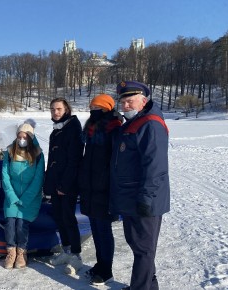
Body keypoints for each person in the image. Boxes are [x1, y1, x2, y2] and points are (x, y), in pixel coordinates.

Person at [111, 81, 170, 290]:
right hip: (131, 198)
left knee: (144, 250)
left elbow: (155, 166)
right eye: (123, 102)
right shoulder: (134, 123)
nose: (125, 106)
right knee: (139, 247)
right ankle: (147, 286)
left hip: (144, 199)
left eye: (130, 101)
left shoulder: (150, 124)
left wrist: (147, 198)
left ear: (143, 101)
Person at [78, 94, 123, 285]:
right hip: (90, 185)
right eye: (91, 107)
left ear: (106, 108)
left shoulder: (115, 128)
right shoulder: (90, 128)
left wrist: (109, 183)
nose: (92, 110)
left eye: (96, 107)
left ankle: (107, 269)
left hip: (105, 187)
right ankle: (99, 264)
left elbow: (117, 161)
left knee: (104, 229)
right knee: (95, 228)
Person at [43, 97, 84, 274]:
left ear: (66, 109)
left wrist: (64, 185)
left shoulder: (73, 128)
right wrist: (49, 184)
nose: (55, 112)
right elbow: (53, 160)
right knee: (59, 217)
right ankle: (66, 251)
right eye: (52, 109)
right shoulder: (56, 130)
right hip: (56, 181)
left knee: (68, 217)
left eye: (58, 109)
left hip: (68, 182)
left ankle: (76, 255)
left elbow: (74, 160)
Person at [1, 121, 44, 269]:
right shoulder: (10, 151)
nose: (22, 139)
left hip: (30, 197)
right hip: (11, 195)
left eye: (25, 137)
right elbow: (5, 175)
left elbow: (38, 179)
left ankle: (22, 252)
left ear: (31, 138)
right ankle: (11, 251)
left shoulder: (38, 154)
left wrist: (26, 198)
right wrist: (11, 196)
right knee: (10, 223)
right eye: (19, 136)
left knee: (21, 224)